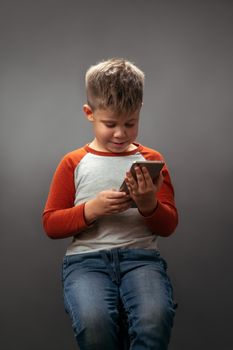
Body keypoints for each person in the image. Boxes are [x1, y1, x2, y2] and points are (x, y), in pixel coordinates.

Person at [42, 58, 178, 350]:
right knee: (95, 324)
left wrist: (148, 204)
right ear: (89, 114)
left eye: (130, 123)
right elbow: (51, 224)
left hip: (141, 259)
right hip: (86, 262)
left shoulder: (151, 160)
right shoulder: (74, 162)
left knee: (155, 318)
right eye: (110, 124)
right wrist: (92, 210)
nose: (121, 133)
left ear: (139, 112)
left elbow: (168, 225)